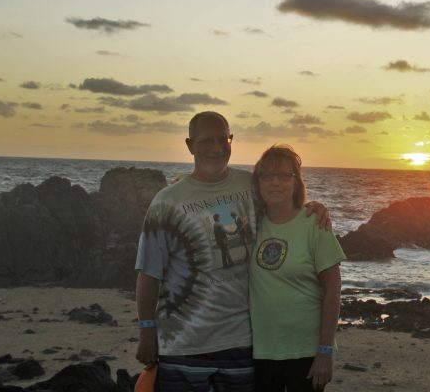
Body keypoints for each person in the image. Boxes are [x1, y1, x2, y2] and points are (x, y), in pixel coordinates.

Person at [134, 112, 330, 392]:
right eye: (205, 141)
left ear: (231, 140)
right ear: (190, 145)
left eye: (222, 139)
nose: (215, 148)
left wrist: (315, 208)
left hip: (244, 343)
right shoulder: (167, 202)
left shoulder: (249, 185)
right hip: (183, 343)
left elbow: (284, 206)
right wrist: (146, 331)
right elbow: (148, 274)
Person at [250, 144, 345, 392]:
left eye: (284, 175)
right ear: (258, 183)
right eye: (267, 176)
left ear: (296, 182)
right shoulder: (250, 225)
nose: (275, 183)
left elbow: (333, 292)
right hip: (260, 350)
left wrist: (325, 351)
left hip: (306, 351)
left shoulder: (314, 224)